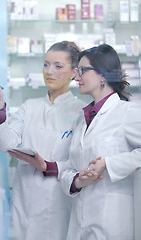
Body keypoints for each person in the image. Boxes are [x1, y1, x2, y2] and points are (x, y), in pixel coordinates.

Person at [0, 41, 86, 240]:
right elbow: (6, 144)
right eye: (46, 64)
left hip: (58, 203)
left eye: (58, 66)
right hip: (23, 200)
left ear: (74, 73)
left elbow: (80, 163)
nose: (49, 71)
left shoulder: (80, 112)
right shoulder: (29, 106)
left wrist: (48, 166)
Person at [60, 44, 141, 240]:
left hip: (111, 225)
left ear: (103, 74)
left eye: (82, 71)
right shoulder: (83, 121)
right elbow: (69, 168)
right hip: (80, 225)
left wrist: (109, 164)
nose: (76, 77)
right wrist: (78, 181)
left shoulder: (127, 113)